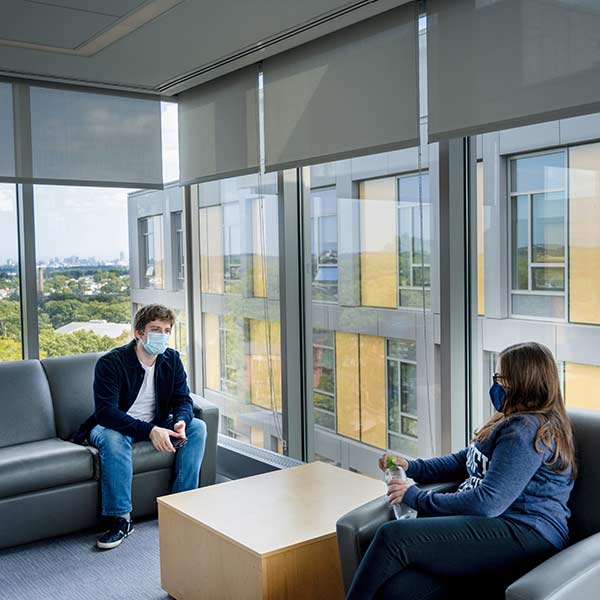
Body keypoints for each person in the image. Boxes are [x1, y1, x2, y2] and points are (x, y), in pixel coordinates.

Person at [346, 341, 577, 600]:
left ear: (523, 382)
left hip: (526, 533)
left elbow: (487, 503)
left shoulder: (526, 431)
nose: (496, 384)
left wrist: (414, 497)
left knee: (393, 536)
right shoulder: (507, 419)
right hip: (495, 525)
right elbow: (464, 461)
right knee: (399, 590)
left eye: (501, 378)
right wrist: (412, 467)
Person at [74, 304, 207, 550]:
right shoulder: (111, 363)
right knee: (113, 438)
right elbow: (106, 413)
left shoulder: (172, 359)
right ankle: (121, 520)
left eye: (167, 330)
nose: (163, 336)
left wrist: (180, 421)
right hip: (113, 425)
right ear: (139, 333)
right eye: (156, 329)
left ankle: (181, 506)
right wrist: (149, 431)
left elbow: (183, 399)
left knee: (198, 427)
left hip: (155, 422)